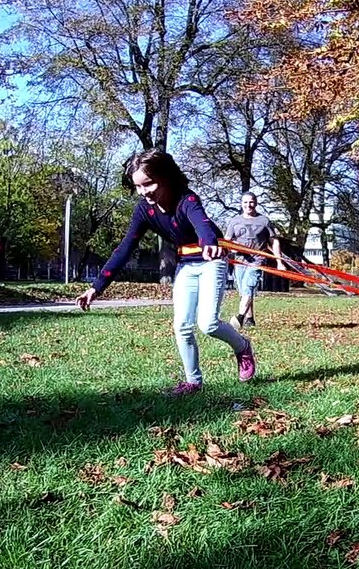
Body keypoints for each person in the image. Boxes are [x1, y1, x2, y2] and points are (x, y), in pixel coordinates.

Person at [75, 149, 256, 396]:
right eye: (137, 186)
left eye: (148, 184)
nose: (143, 192)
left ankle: (242, 346)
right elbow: (125, 248)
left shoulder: (187, 200)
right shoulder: (144, 210)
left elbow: (201, 223)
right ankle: (193, 383)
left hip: (212, 260)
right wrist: (96, 288)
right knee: (182, 325)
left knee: (208, 324)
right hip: (186, 265)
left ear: (166, 176)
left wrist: (209, 241)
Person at [224, 191, 283, 330]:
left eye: (251, 202)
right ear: (241, 204)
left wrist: (279, 262)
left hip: (257, 260)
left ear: (256, 203)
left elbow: (274, 241)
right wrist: (231, 250)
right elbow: (227, 241)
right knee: (244, 291)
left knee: (248, 286)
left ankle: (239, 318)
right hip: (239, 261)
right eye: (245, 202)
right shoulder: (235, 221)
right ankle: (250, 318)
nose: (248, 205)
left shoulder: (264, 221)